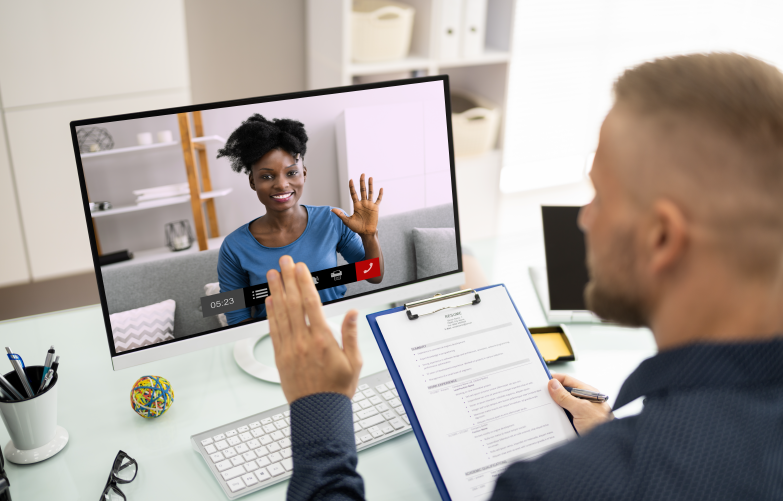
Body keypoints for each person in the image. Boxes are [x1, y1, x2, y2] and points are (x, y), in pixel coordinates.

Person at [264, 52, 783, 500]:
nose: (584, 218)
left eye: (600, 194)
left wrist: (318, 405)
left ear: (662, 238)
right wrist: (612, 435)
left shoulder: (561, 487)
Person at [216, 114, 384, 324]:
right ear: (253, 181)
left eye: (292, 173)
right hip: (276, 342)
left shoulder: (332, 219)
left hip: (334, 329)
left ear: (303, 174)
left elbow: (374, 275)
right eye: (267, 176)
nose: (281, 184)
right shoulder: (234, 246)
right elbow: (237, 319)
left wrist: (369, 236)